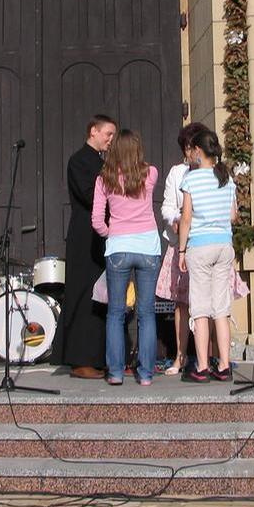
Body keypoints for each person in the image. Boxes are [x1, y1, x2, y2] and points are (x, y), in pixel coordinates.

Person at [91, 130, 162, 386]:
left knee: (115, 312)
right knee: (146, 313)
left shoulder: (104, 179)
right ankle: (146, 374)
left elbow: (96, 221)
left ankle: (116, 372)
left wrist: (112, 234)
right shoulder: (150, 173)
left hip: (119, 248)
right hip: (148, 248)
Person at [50, 114, 117, 378]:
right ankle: (80, 359)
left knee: (103, 295)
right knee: (83, 294)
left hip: (103, 235)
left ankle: (100, 356)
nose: (111, 139)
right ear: (93, 131)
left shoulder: (103, 162)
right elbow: (90, 196)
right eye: (108, 134)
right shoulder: (79, 161)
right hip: (85, 236)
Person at [178, 129, 237, 383]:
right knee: (221, 309)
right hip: (224, 245)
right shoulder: (226, 177)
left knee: (200, 308)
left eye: (192, 149)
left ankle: (202, 366)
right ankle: (224, 365)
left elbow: (186, 218)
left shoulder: (191, 179)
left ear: (199, 151)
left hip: (200, 246)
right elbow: (233, 215)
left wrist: (181, 250)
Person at [156, 121, 209, 375]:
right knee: (181, 304)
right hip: (181, 245)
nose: (189, 152)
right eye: (186, 147)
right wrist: (176, 219)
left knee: (208, 304)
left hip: (204, 243)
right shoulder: (177, 173)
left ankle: (208, 358)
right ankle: (180, 356)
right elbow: (167, 206)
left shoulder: (213, 172)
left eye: (192, 147)